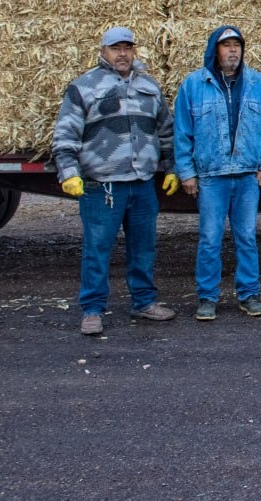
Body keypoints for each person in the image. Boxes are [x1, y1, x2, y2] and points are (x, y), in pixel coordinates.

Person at [52, 26, 179, 336]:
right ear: (103, 51)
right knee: (97, 249)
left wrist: (172, 167)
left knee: (143, 247)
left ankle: (144, 302)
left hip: (141, 182)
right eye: (115, 48)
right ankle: (92, 310)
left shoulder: (149, 86)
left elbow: (166, 131)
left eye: (127, 47)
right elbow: (66, 134)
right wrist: (69, 172)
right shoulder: (84, 87)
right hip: (102, 185)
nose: (122, 54)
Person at [173, 26, 261, 321]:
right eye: (226, 45)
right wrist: (186, 172)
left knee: (246, 237)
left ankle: (249, 295)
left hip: (247, 175)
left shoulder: (257, 83)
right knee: (210, 239)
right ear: (214, 50)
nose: (233, 50)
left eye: (237, 45)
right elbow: (182, 132)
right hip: (211, 176)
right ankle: (208, 298)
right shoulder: (194, 85)